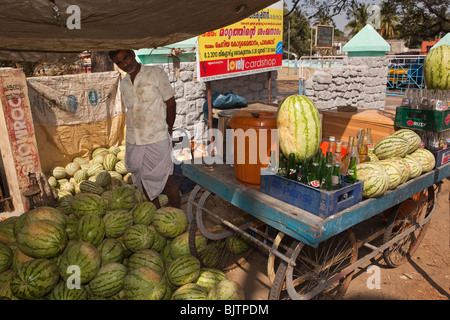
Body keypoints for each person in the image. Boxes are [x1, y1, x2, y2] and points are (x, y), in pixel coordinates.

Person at [109, 49, 180, 208]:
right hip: (134, 139)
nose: (124, 64)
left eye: (126, 58)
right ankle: (157, 214)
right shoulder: (124, 82)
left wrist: (169, 128)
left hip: (156, 137)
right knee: (142, 179)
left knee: (167, 179)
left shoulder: (155, 73)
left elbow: (171, 103)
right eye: (119, 63)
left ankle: (177, 214)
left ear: (133, 54)